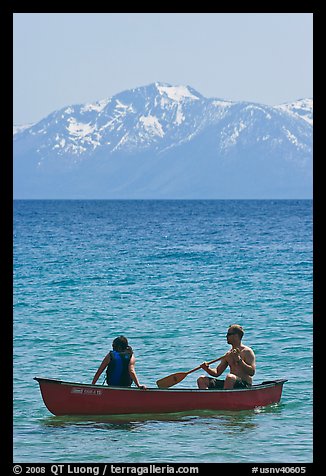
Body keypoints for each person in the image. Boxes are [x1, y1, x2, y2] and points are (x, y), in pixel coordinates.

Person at [197, 324, 256, 390]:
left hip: (244, 385)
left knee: (230, 377)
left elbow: (252, 372)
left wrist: (239, 360)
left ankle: (224, 398)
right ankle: (208, 399)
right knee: (201, 379)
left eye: (229, 334)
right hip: (230, 382)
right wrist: (207, 369)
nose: (226, 336)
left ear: (236, 336)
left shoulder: (247, 351)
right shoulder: (228, 354)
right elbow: (217, 372)